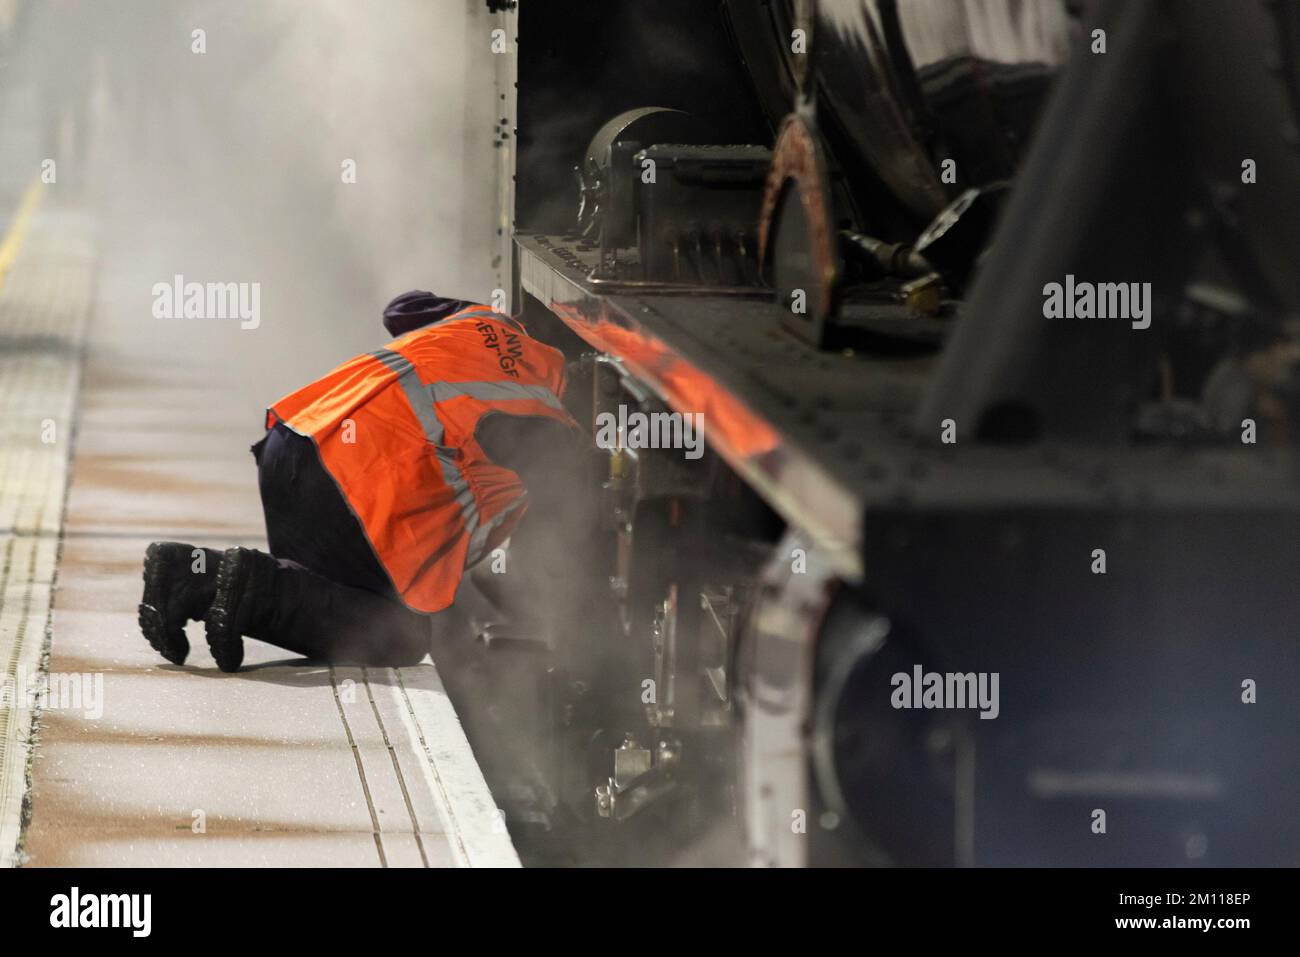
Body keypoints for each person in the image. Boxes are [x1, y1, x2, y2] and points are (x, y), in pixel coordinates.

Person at [137, 292, 584, 672]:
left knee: (316, 588)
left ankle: (187, 572)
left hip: (293, 444)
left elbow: (401, 309)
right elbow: (550, 548)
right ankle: (251, 587)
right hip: (351, 494)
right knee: (401, 636)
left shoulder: (482, 318)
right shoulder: (544, 414)